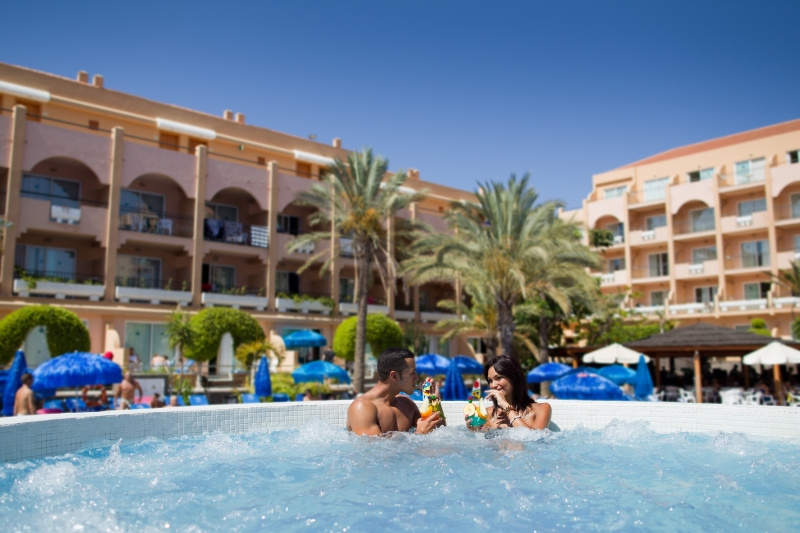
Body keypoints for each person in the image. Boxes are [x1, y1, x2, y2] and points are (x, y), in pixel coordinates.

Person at [347, 347, 445, 436]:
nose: (417, 378)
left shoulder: (407, 404)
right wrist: (419, 434)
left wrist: (435, 403)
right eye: (412, 373)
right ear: (394, 376)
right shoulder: (362, 408)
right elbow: (373, 448)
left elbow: (440, 433)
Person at [467, 356, 552, 431]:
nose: (493, 385)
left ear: (514, 378)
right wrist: (475, 430)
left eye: (499, 378)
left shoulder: (541, 409)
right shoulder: (487, 414)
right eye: (490, 381)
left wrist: (506, 407)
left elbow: (534, 439)